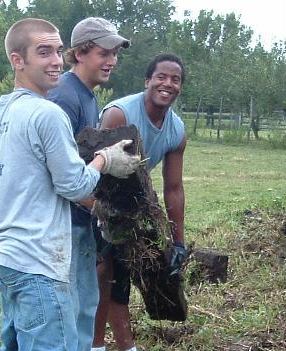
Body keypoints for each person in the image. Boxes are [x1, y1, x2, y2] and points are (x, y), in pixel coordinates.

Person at [0, 18, 140, 351]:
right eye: (43, 52)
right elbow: (75, 185)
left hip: (5, 255)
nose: (55, 61)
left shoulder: (2, 110)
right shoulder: (48, 111)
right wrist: (105, 160)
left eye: (56, 51)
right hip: (38, 259)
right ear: (17, 60)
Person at [93, 53, 188, 351]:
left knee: (124, 272)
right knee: (102, 270)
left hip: (133, 201)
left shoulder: (177, 130)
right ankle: (95, 345)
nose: (168, 84)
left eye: (175, 79)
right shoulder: (119, 115)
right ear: (147, 81)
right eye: (161, 77)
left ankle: (125, 346)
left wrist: (178, 242)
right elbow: (97, 174)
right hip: (96, 198)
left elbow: (173, 188)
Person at [48, 17, 130, 351]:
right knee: (66, 313)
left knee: (84, 306)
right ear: (80, 53)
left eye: (115, 53)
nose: (112, 60)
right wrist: (99, 207)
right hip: (63, 225)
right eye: (104, 52)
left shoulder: (87, 96)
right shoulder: (64, 98)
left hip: (81, 222)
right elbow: (56, 174)